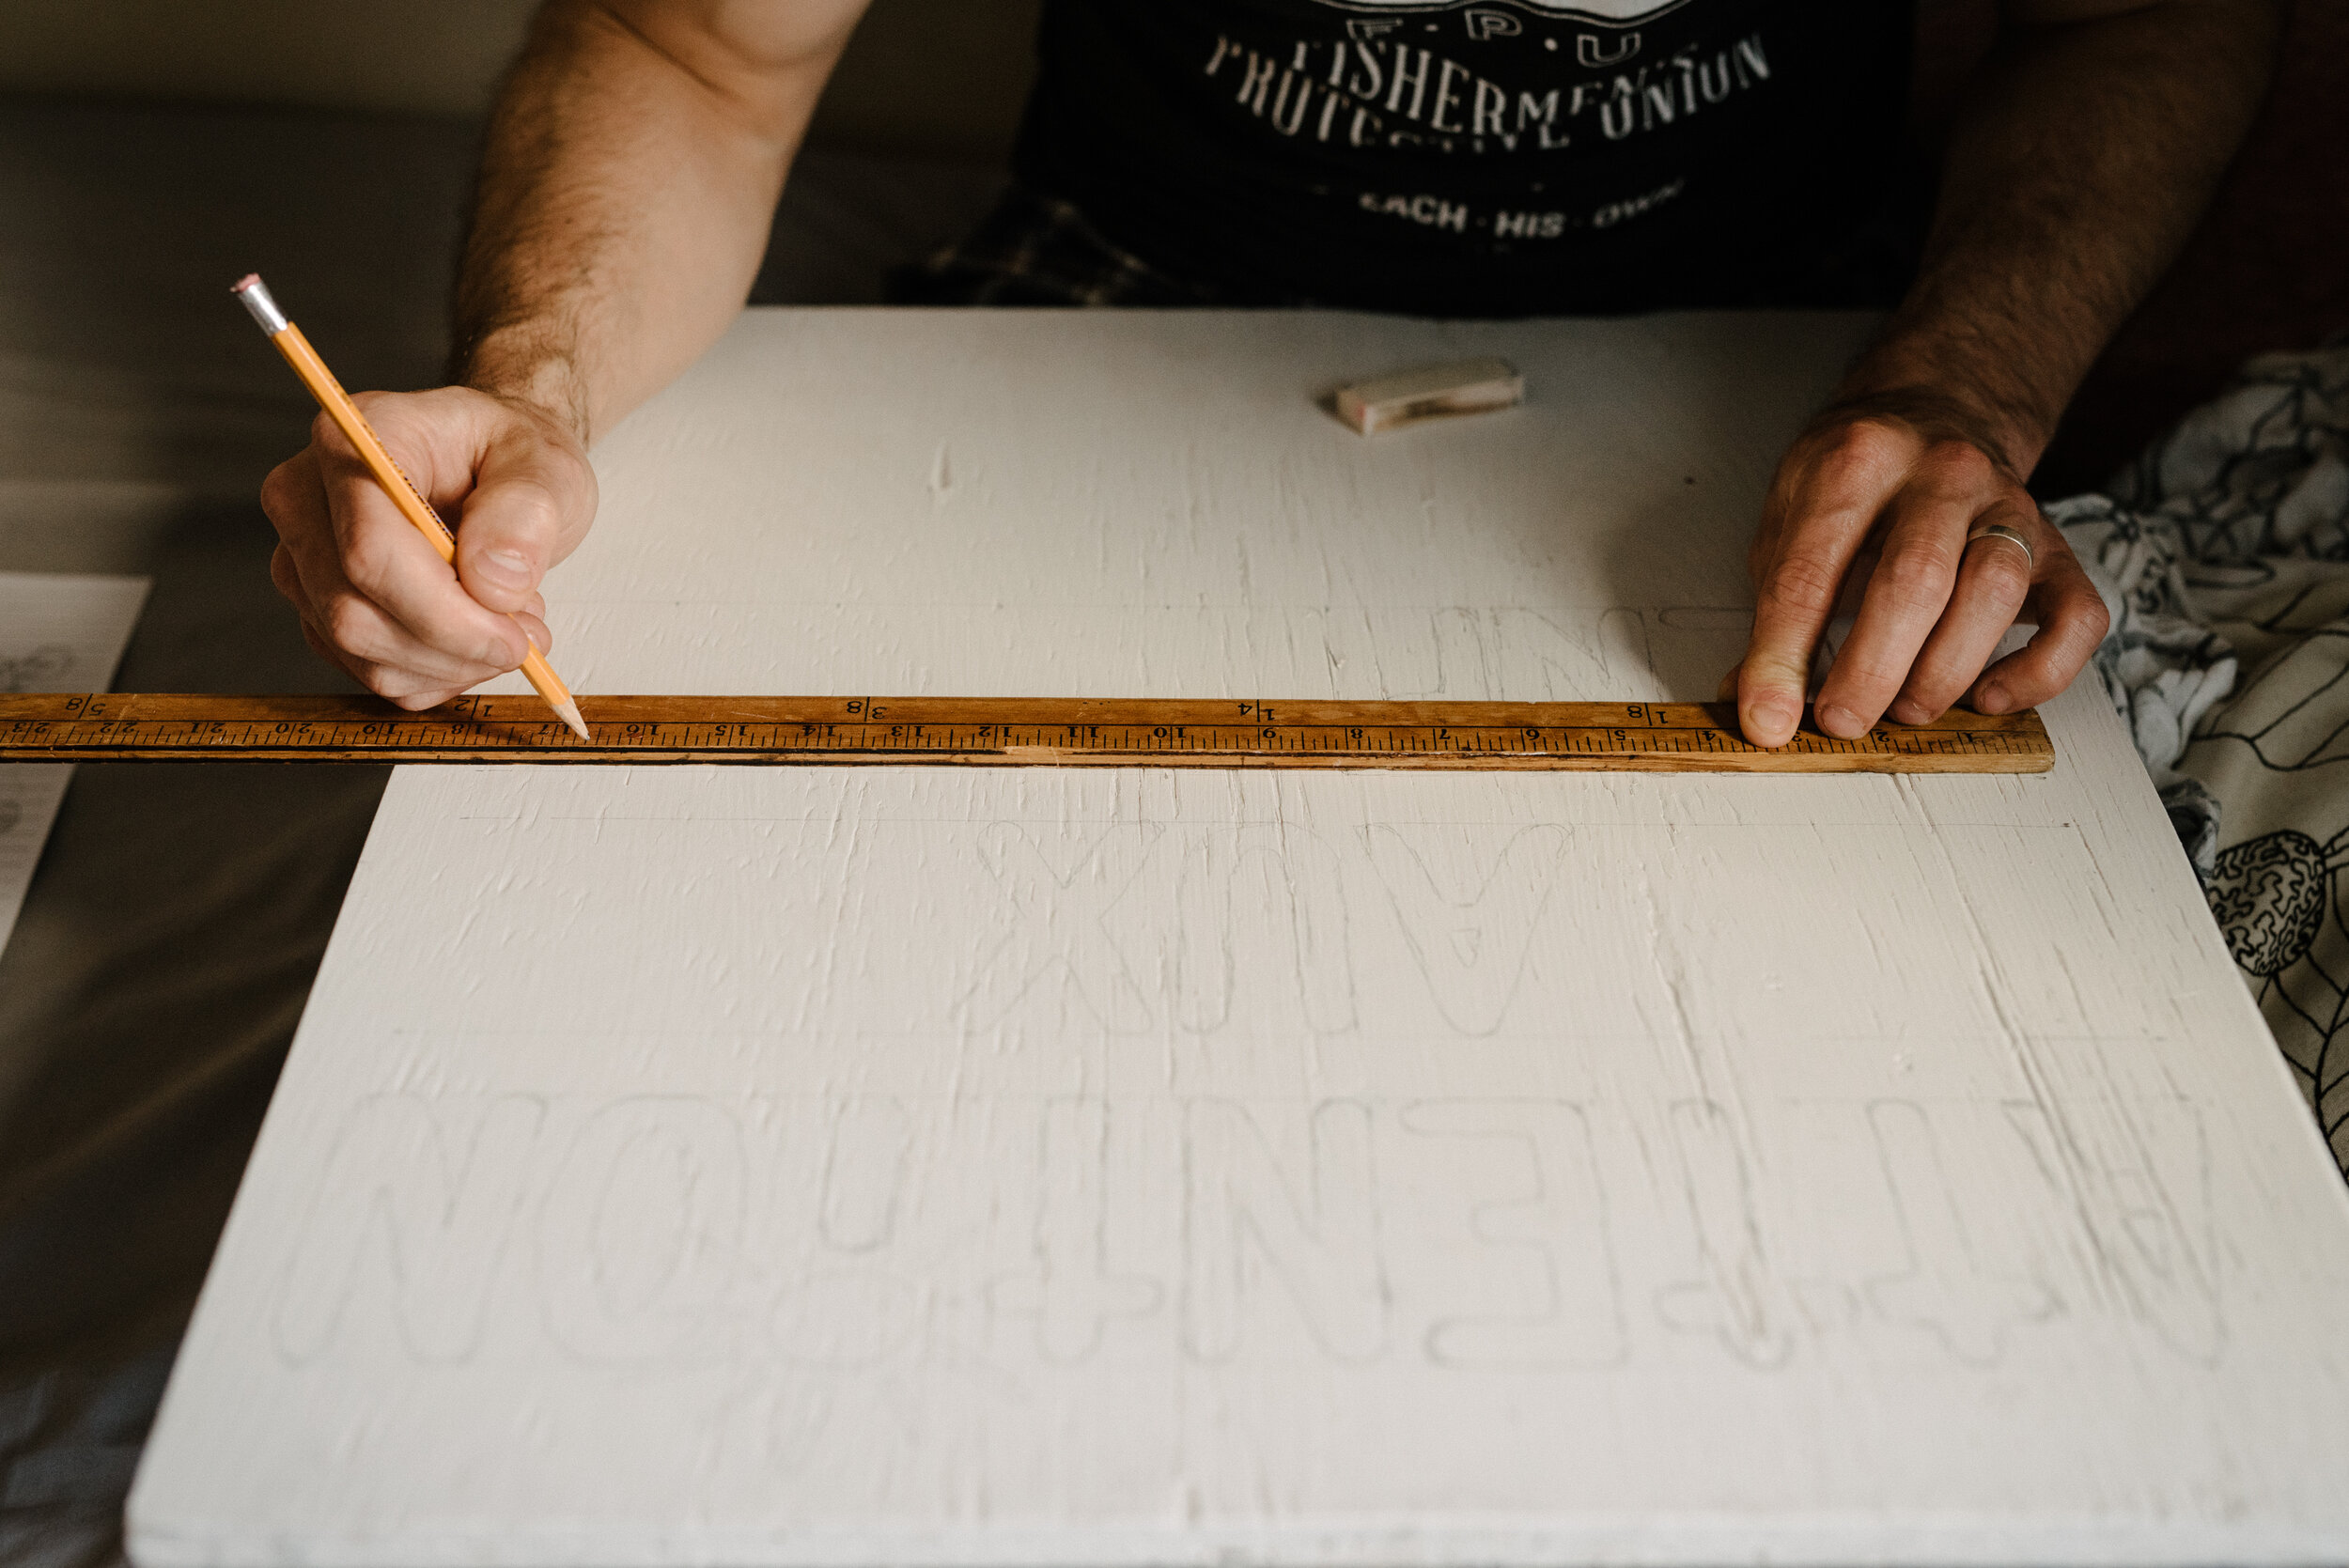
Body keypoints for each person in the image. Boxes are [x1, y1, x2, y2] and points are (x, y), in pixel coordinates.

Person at [258, 0, 2278, 747]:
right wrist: (532, 391)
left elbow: (2143, 20)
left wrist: (1965, 387)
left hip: (1803, 310)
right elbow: (695, 47)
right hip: (1128, 258)